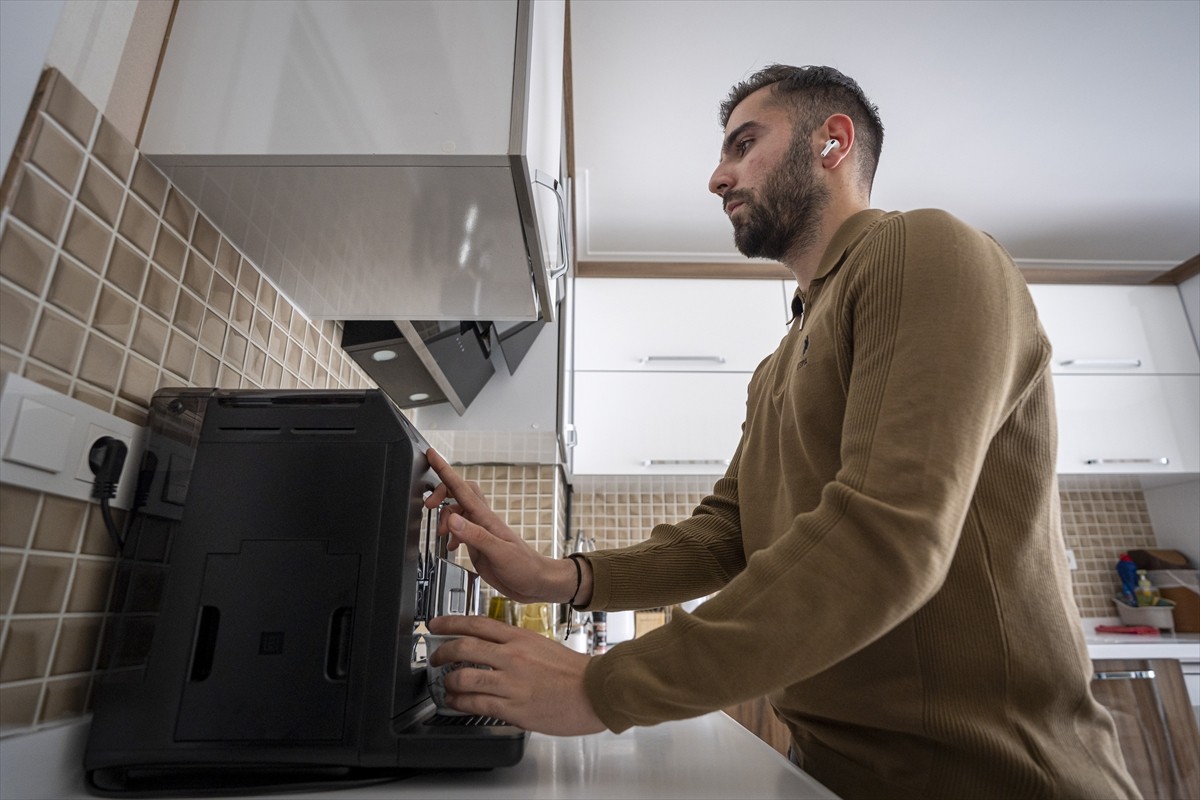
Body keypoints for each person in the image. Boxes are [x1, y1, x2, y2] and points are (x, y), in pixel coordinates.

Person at [424, 64, 1139, 799]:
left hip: (996, 780)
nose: (716, 176)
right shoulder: (776, 366)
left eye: (744, 144)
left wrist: (605, 687)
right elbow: (727, 535)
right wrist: (561, 577)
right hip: (829, 773)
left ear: (832, 142)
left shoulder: (927, 250)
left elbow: (885, 535)